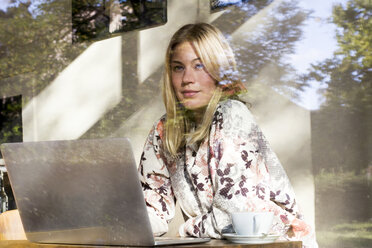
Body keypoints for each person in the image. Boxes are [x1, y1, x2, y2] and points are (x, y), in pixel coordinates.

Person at [138, 23, 318, 248]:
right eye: (178, 67)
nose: (187, 79)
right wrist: (119, 224)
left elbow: (233, 218)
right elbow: (151, 211)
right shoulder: (164, 130)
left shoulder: (232, 115)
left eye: (199, 66)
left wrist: (186, 229)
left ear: (219, 72)